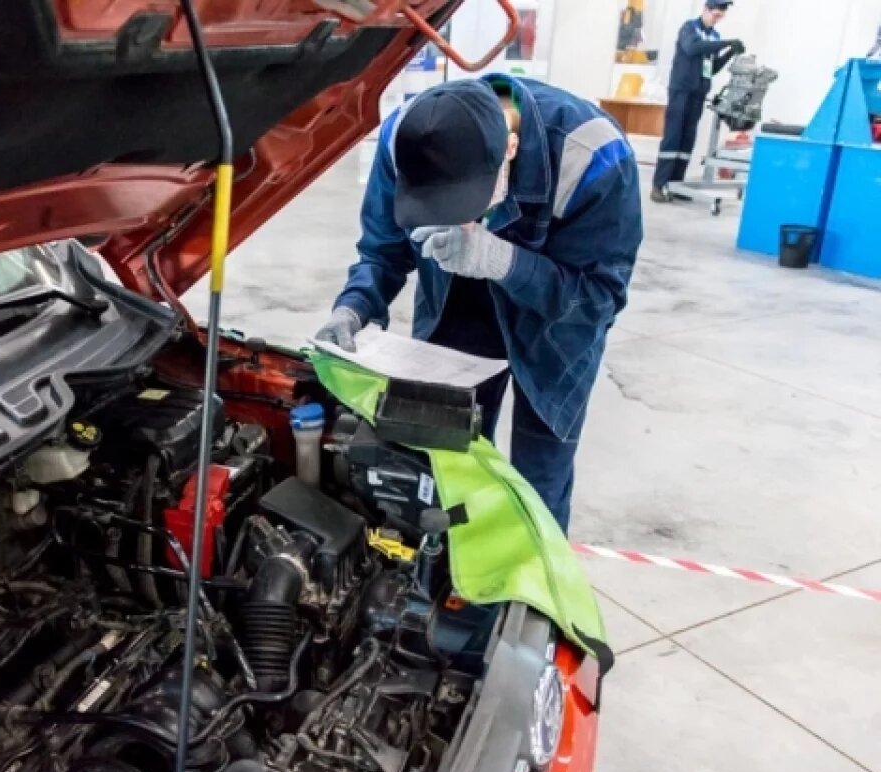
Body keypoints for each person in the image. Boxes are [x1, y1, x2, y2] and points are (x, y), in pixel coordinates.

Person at [315, 77, 642, 532]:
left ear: (510, 148)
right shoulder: (404, 140)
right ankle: (450, 590)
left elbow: (597, 299)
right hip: (458, 305)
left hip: (557, 329)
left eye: (463, 203)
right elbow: (382, 250)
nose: (453, 218)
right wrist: (352, 307)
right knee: (445, 468)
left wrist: (502, 260)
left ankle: (529, 600)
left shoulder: (591, 157)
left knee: (538, 484)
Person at [651, 0, 744, 202]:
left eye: (721, 14)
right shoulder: (689, 29)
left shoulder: (713, 36)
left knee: (687, 139)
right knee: (673, 137)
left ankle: (676, 185)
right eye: (715, 12)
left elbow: (712, 67)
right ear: (706, 9)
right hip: (681, 91)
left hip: (697, 94)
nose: (717, 16)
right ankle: (659, 185)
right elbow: (693, 48)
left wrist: (729, 52)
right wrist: (726, 43)